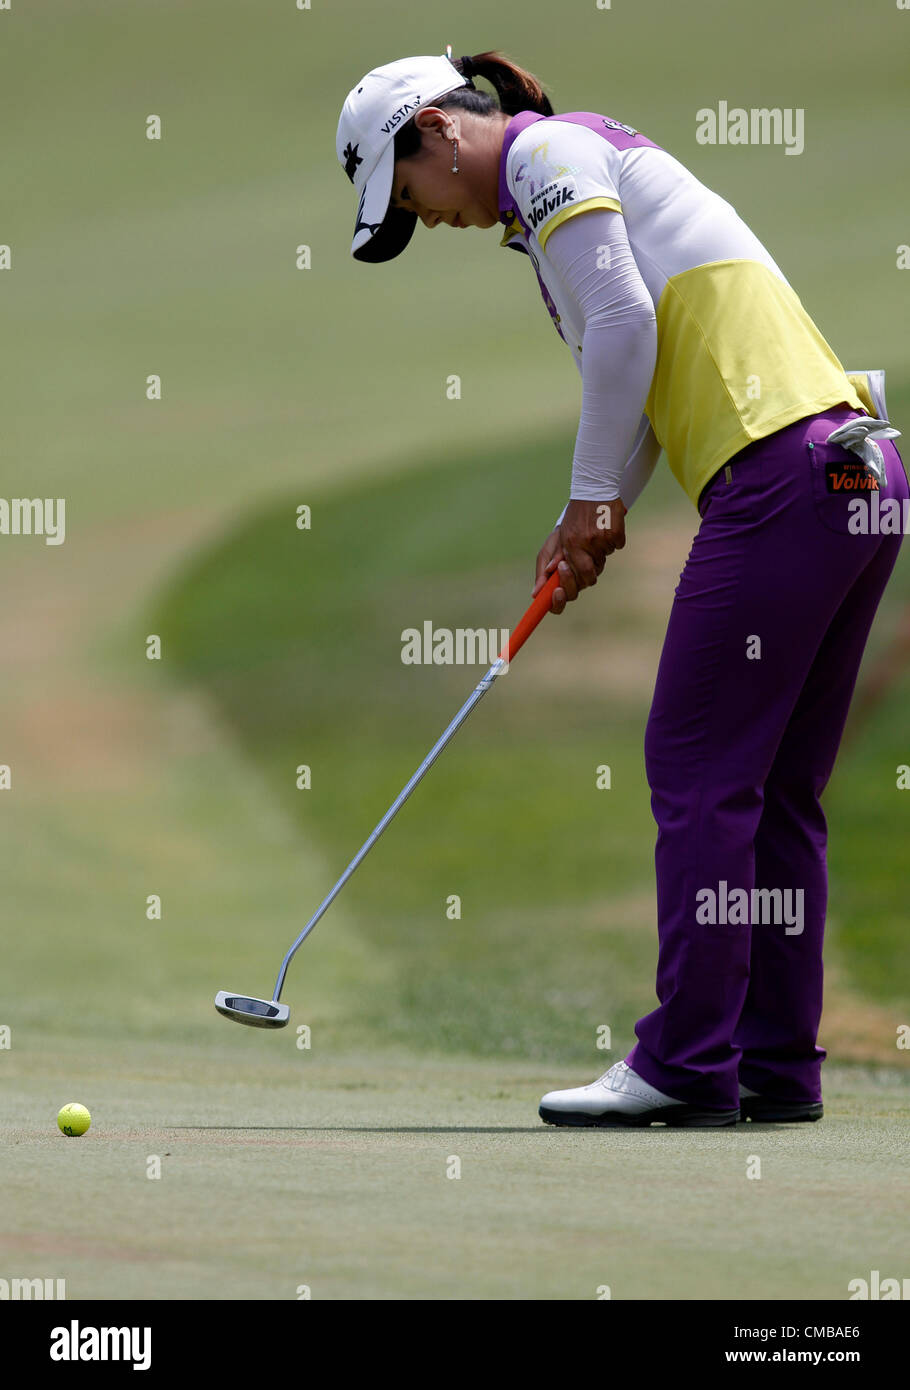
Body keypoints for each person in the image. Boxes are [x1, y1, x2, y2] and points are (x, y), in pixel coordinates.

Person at [336, 49, 907, 1127]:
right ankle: (773, 1068)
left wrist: (594, 500)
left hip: (781, 474)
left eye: (409, 195)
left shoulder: (548, 153)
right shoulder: (572, 167)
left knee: (695, 768)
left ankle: (689, 1064)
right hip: (854, 472)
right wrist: (588, 517)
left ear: (438, 131)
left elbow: (624, 324)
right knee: (772, 789)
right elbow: (638, 375)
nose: (430, 219)